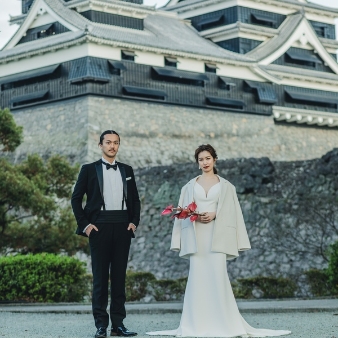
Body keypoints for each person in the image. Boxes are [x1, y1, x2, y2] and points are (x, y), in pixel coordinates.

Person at [147, 144, 291, 337]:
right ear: (197, 163)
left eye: (208, 158)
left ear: (215, 159)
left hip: (217, 235)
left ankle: (224, 323)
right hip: (197, 236)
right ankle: (194, 325)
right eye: (201, 159)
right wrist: (191, 221)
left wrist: (215, 213)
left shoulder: (227, 186)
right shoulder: (189, 186)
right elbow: (182, 211)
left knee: (217, 276)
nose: (204, 162)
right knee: (197, 278)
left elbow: (233, 212)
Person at [71, 130, 140, 338]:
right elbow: (76, 199)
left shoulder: (127, 170)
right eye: (108, 142)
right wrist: (86, 225)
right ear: (100, 145)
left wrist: (133, 222)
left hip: (122, 226)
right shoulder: (89, 169)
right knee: (100, 279)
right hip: (98, 226)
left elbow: (135, 200)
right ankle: (101, 325)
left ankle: (118, 325)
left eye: (116, 143)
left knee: (119, 278)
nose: (112, 146)